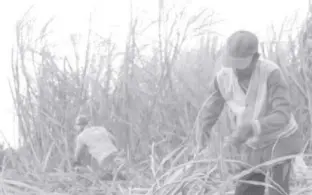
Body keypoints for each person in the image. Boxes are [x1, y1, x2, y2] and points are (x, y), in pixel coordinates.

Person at [196, 30, 304, 195]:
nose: (236, 71)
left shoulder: (271, 73)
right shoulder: (222, 79)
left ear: (255, 59)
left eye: (241, 65)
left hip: (282, 139)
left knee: (277, 189)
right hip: (253, 144)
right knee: (247, 189)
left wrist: (252, 127)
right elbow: (209, 111)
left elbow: (282, 114)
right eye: (233, 64)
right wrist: (202, 137)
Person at [72, 114, 126, 180]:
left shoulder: (81, 136)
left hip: (104, 159)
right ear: (88, 123)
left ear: (78, 126)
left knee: (104, 176)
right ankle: (118, 174)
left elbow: (78, 154)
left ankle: (110, 174)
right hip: (115, 154)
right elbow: (113, 140)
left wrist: (76, 163)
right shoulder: (101, 129)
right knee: (117, 172)